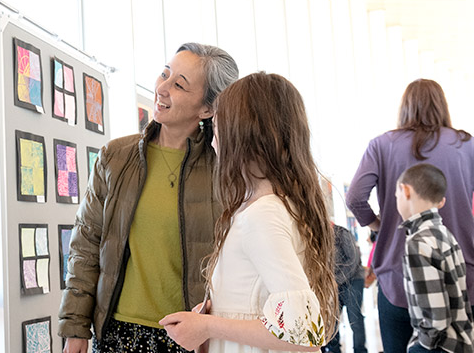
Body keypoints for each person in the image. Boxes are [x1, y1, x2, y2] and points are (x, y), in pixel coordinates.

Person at [57, 43, 238, 353]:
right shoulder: (115, 156)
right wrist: (75, 330)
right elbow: (85, 247)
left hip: (190, 338)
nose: (162, 88)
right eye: (164, 74)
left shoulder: (226, 170)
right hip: (115, 334)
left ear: (207, 109)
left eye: (179, 84)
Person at [158, 72, 337, 352]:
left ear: (241, 135)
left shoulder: (262, 215)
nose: (214, 143)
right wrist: (217, 313)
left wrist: (208, 326)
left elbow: (304, 336)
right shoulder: (274, 206)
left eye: (216, 130)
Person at [346, 79, 474, 353]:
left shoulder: (381, 145)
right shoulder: (466, 145)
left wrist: (379, 225)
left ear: (405, 107)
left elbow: (355, 196)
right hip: (462, 276)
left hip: (397, 278)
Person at [395, 163, 473, 353]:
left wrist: (421, 344)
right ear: (441, 202)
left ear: (405, 191)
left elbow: (436, 319)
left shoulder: (418, 242)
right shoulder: (444, 233)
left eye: (396, 196)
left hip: (440, 346)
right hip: (461, 339)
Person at [323, 225, 366, 353]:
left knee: (354, 319)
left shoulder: (342, 233)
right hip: (334, 283)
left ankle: (360, 350)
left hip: (353, 280)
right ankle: (334, 350)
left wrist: (338, 280)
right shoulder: (319, 237)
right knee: (332, 319)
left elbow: (353, 260)